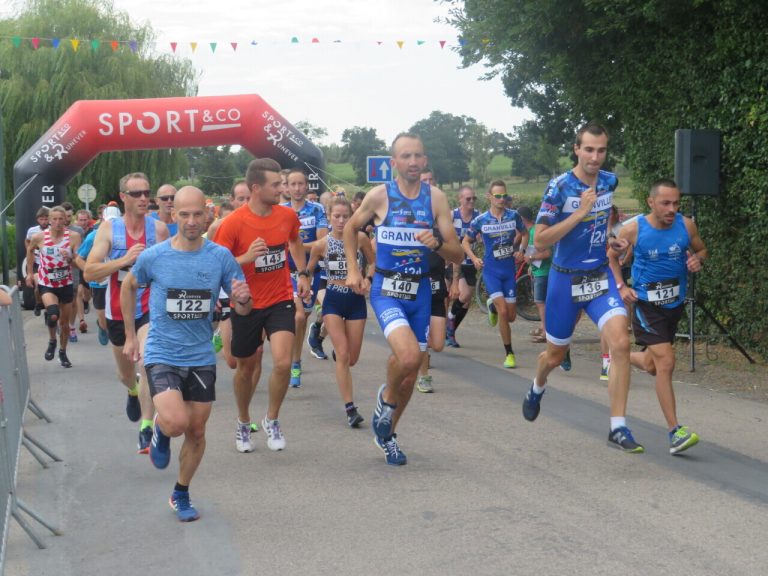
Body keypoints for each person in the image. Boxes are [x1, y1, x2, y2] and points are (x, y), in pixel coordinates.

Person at [121, 186, 252, 522]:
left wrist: (242, 299)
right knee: (177, 422)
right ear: (173, 215)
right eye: (184, 214)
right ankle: (161, 430)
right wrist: (130, 336)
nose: (192, 221)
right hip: (163, 351)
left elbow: (243, 306)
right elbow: (128, 285)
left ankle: (180, 492)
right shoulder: (155, 256)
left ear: (207, 214)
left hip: (200, 355)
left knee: (196, 431)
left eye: (197, 214)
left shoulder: (220, 257)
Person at [521, 122, 643, 453]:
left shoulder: (609, 181)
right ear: (576, 149)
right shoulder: (559, 187)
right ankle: (537, 385)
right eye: (588, 149)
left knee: (620, 343)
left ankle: (618, 427)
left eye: (601, 150)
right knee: (555, 356)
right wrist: (580, 213)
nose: (595, 157)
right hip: (565, 280)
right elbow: (541, 239)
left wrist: (612, 240)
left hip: (599, 276)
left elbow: (602, 222)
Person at [343, 132, 463, 465]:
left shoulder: (436, 199)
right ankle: (386, 396)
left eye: (418, 156)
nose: (413, 162)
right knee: (409, 357)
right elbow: (350, 229)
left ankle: (388, 435)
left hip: (420, 291)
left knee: (410, 374)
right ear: (394, 162)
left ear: (425, 160)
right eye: (406, 156)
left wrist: (438, 244)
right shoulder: (379, 196)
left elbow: (457, 253)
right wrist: (353, 269)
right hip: (387, 289)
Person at [214, 158, 310, 453]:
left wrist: (302, 273)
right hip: (247, 303)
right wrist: (246, 258)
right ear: (256, 188)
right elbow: (216, 265)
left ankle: (272, 419)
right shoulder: (233, 223)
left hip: (281, 298)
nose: (282, 189)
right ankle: (243, 421)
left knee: (282, 362)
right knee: (245, 368)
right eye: (276, 184)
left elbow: (295, 242)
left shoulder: (286, 216)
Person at [609, 179, 706, 454]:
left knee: (652, 365)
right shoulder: (634, 229)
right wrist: (622, 286)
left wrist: (698, 259)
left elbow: (701, 249)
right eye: (665, 203)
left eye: (676, 203)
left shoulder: (686, 226)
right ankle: (675, 432)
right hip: (646, 306)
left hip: (673, 305)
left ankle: (621, 357)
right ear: (651, 202)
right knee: (666, 362)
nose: (672, 209)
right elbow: (611, 257)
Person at [85, 172, 169, 453]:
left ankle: (146, 427)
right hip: (117, 311)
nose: (144, 198)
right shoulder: (109, 230)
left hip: (149, 308)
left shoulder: (159, 230)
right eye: (136, 194)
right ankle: (132, 391)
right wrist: (124, 260)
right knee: (126, 374)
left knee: (146, 362)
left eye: (147, 193)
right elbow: (90, 271)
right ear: (123, 197)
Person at [307, 196, 375, 426]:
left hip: (356, 301)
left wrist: (368, 279)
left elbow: (374, 263)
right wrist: (304, 281)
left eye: (346, 216)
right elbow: (309, 269)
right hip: (333, 300)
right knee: (344, 354)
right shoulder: (321, 244)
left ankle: (341, 359)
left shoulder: (361, 238)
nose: (341, 221)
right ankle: (350, 409)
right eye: (336, 216)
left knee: (351, 359)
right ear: (329, 217)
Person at [463, 180, 527, 368]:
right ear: (489, 197)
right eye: (497, 196)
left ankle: (491, 306)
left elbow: (525, 234)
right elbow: (465, 242)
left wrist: (521, 250)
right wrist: (474, 258)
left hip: (508, 271)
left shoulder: (513, 216)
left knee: (511, 316)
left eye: (504, 195)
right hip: (491, 271)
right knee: (503, 312)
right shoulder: (480, 220)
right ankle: (509, 353)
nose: (501, 199)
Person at [283, 168, 329, 386]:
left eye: (301, 184)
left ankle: (295, 357)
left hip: (312, 272)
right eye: (293, 184)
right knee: (299, 317)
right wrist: (295, 246)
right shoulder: (280, 211)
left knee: (302, 321)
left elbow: (321, 243)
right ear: (286, 187)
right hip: (287, 273)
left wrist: (295, 245)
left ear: (307, 186)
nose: (297, 188)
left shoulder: (317, 209)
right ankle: (294, 364)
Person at [25, 206, 82, 368]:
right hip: (47, 282)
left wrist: (69, 258)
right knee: (52, 314)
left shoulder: (74, 236)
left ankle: (63, 352)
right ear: (49, 220)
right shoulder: (39, 237)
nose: (57, 222)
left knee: (64, 324)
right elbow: (30, 250)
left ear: (66, 220)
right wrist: (30, 273)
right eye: (54, 219)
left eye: (60, 219)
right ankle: (52, 341)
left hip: (65, 283)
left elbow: (79, 262)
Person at [446, 185, 480, 348]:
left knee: (465, 302)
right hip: (454, 262)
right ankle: (447, 324)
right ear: (460, 199)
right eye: (468, 199)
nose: (471, 201)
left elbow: (483, 236)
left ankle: (450, 331)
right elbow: (442, 235)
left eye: (474, 198)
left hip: (471, 262)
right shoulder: (452, 215)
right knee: (463, 294)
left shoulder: (478, 216)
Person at [519, 205, 551, 343]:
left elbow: (547, 253)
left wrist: (531, 258)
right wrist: (531, 266)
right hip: (538, 270)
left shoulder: (534, 232)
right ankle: (543, 327)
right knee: (541, 302)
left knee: (540, 302)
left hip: (543, 272)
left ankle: (546, 332)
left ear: (522, 219)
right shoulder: (531, 231)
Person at [25, 206, 50, 316]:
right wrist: (29, 250)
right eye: (41, 219)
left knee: (50, 289)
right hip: (37, 262)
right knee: (38, 286)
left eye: (46, 219)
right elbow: (27, 241)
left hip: (49, 263)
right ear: (37, 219)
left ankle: (48, 311)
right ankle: (39, 303)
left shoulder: (53, 230)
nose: (44, 222)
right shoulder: (32, 230)